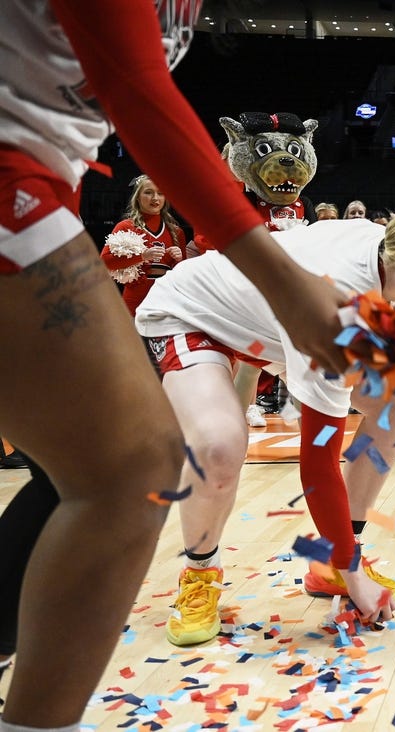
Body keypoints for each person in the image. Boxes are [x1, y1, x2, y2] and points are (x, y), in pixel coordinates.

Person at [0, 2, 350, 730]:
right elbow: (136, 90)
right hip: (38, 197)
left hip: (44, 185)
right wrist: (285, 285)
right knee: (141, 466)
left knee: (65, 468)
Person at [135, 206, 395, 646]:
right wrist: (357, 580)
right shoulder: (335, 313)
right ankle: (200, 575)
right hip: (191, 315)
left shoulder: (383, 245)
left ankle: (332, 562)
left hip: (267, 323)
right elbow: (318, 461)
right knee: (219, 445)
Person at [99, 174, 185, 315]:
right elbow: (104, 263)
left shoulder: (177, 232)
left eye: (160, 193)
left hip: (167, 300)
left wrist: (179, 260)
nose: (155, 198)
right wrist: (142, 256)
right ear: (137, 197)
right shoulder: (125, 226)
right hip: (135, 300)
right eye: (148, 192)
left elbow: (183, 276)